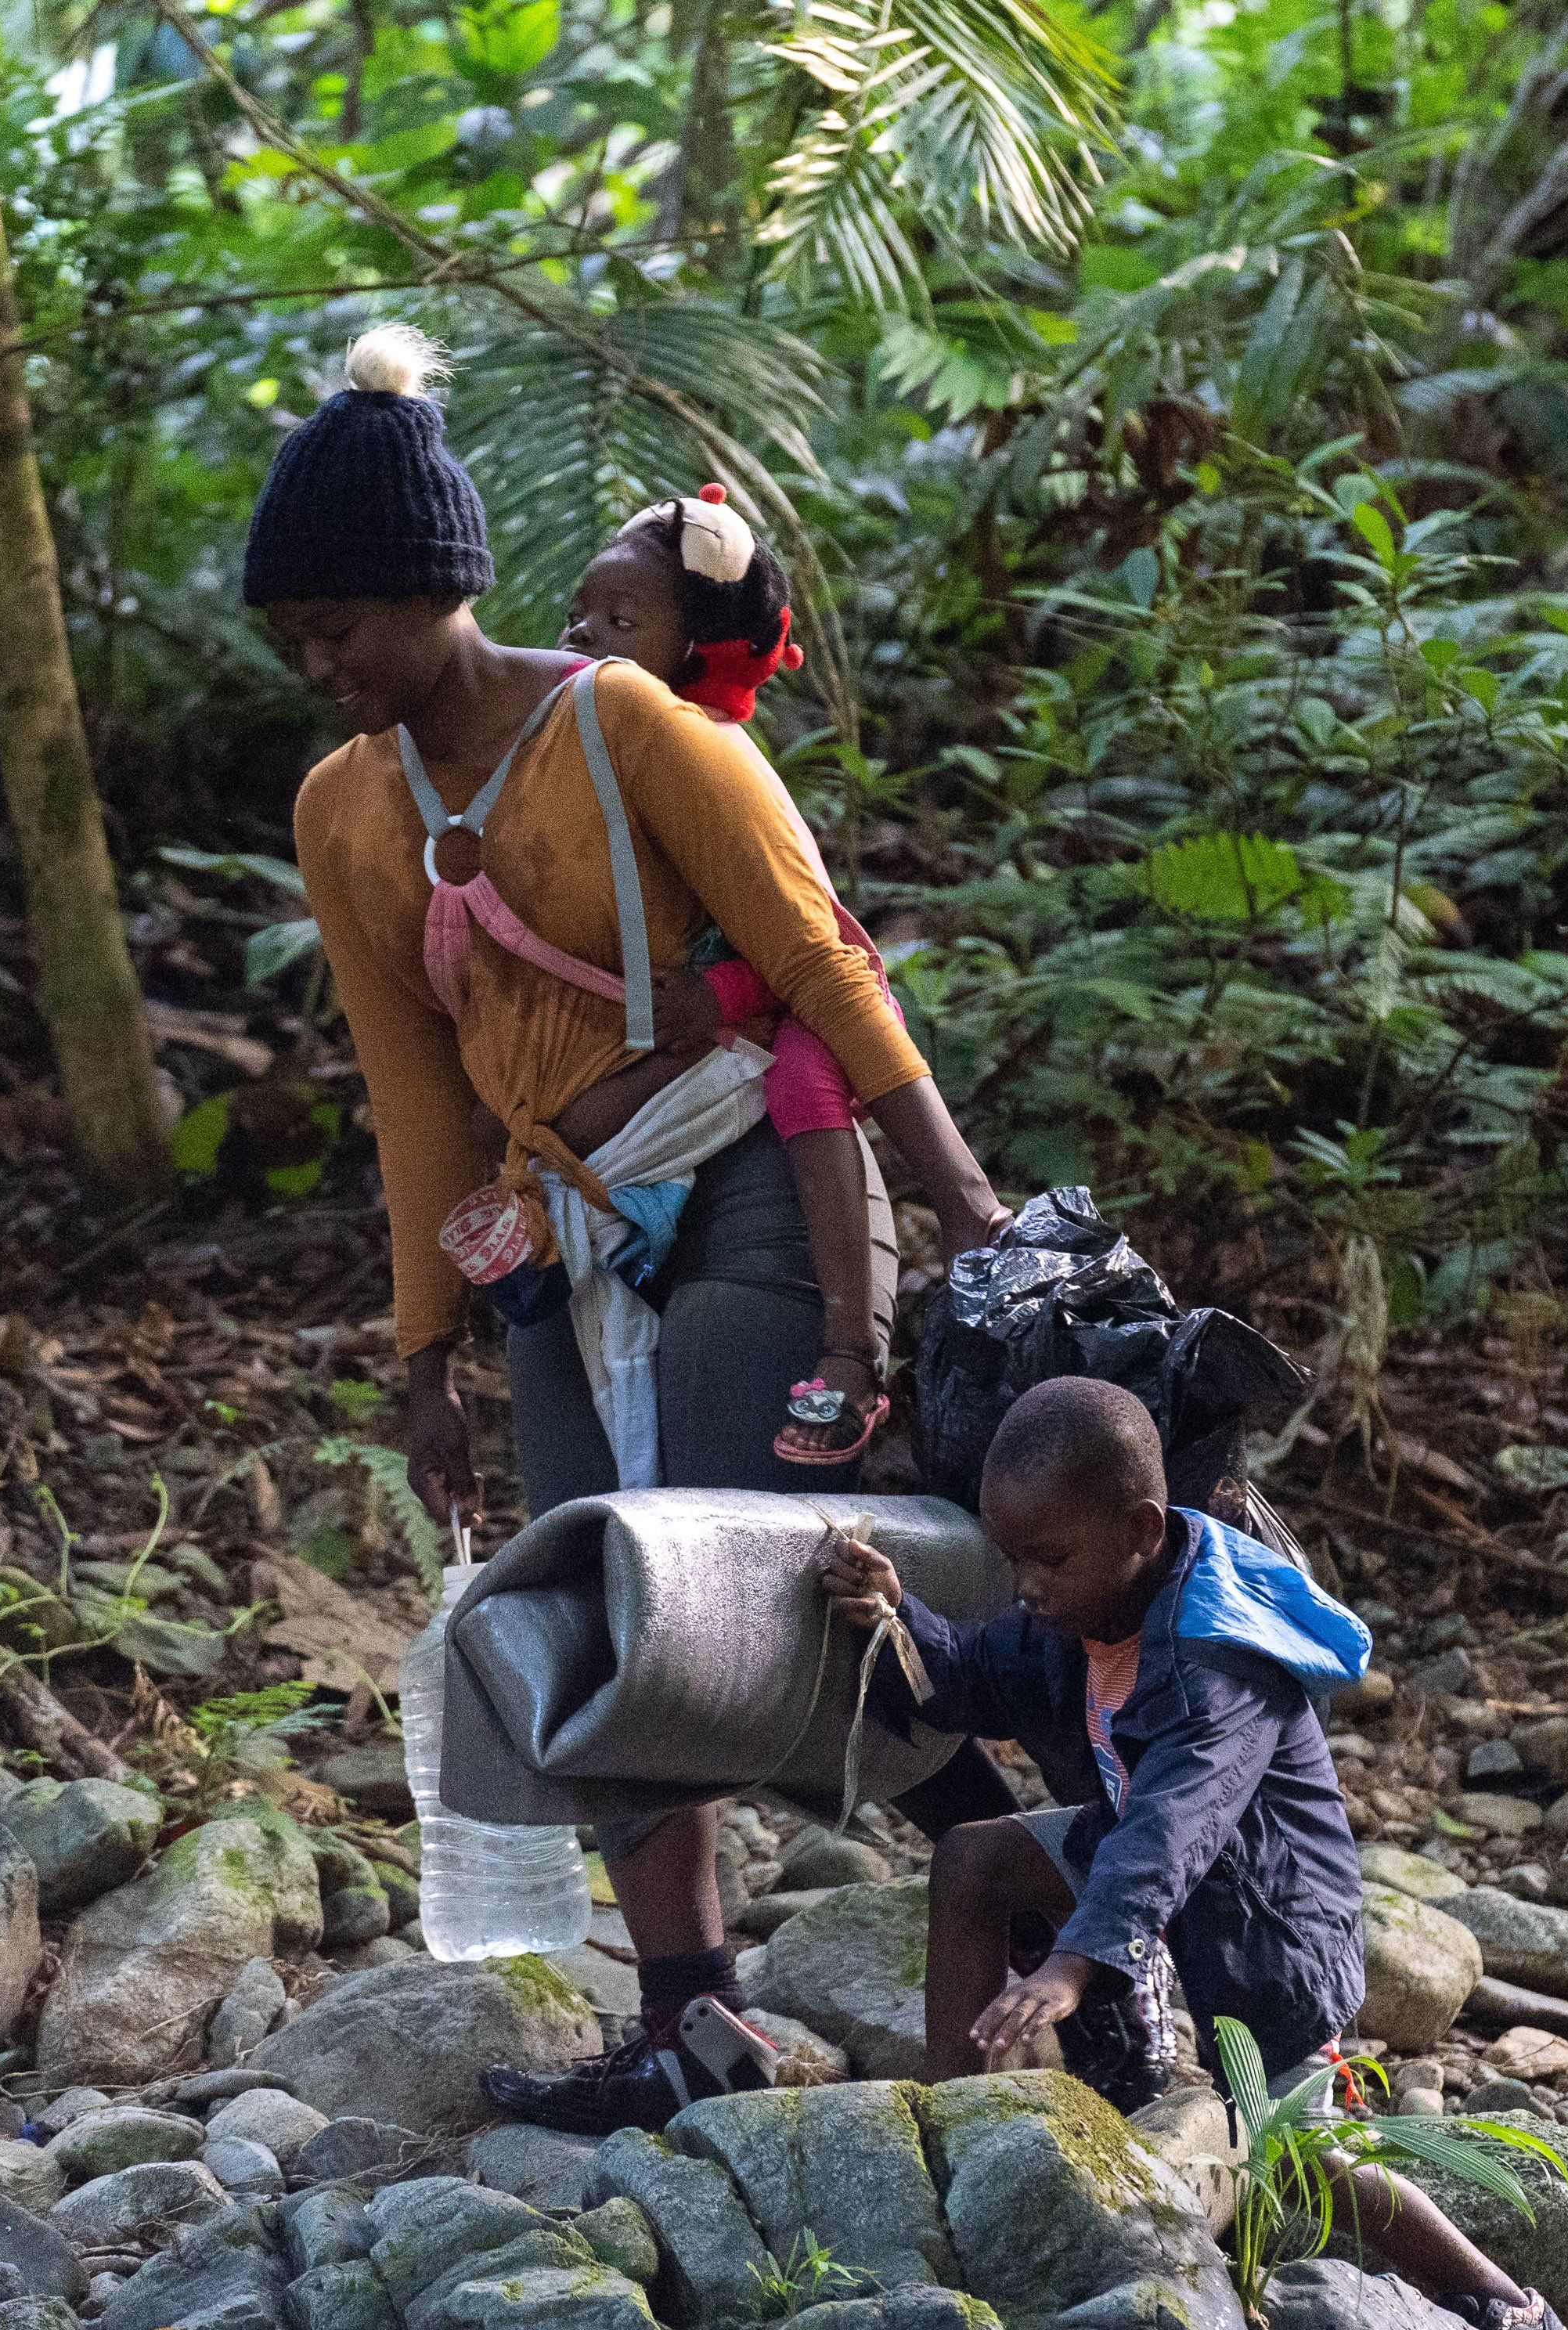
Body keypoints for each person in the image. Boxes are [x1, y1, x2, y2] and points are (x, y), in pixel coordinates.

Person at [253, 324, 1017, 2125]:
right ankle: (690, 2019)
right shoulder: (339, 813)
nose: (320, 667)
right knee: (599, 1612)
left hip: (747, 1185)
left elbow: (819, 952)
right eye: (294, 642)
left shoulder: (618, 721)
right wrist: (422, 1352)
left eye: (339, 627)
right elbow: (413, 1093)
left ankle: (1032, 1869)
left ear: (431, 589)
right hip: (544, 1235)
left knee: (751, 1590)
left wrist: (958, 1199)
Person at [816, 1376, 1568, 2330]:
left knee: (1292, 2149)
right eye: (1014, 1560)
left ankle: (1504, 2299)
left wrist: (1076, 1963)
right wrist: (897, 1609)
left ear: (1139, 1527)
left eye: (1048, 1558)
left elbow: (1173, 1827)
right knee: (974, 1858)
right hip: (1156, 1889)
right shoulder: (1082, 1610)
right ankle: (959, 2146)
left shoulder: (1218, 1654)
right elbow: (975, 1671)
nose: (1028, 1585)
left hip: (1263, 1928)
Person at [558, 485, 896, 1466]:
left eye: (622, 622)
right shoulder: (571, 764)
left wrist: (717, 999)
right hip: (670, 1089)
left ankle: (852, 1350)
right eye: (580, 614)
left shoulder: (710, 755)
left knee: (801, 1075)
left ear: (696, 648)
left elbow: (823, 946)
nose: (586, 635)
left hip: (792, 1012)